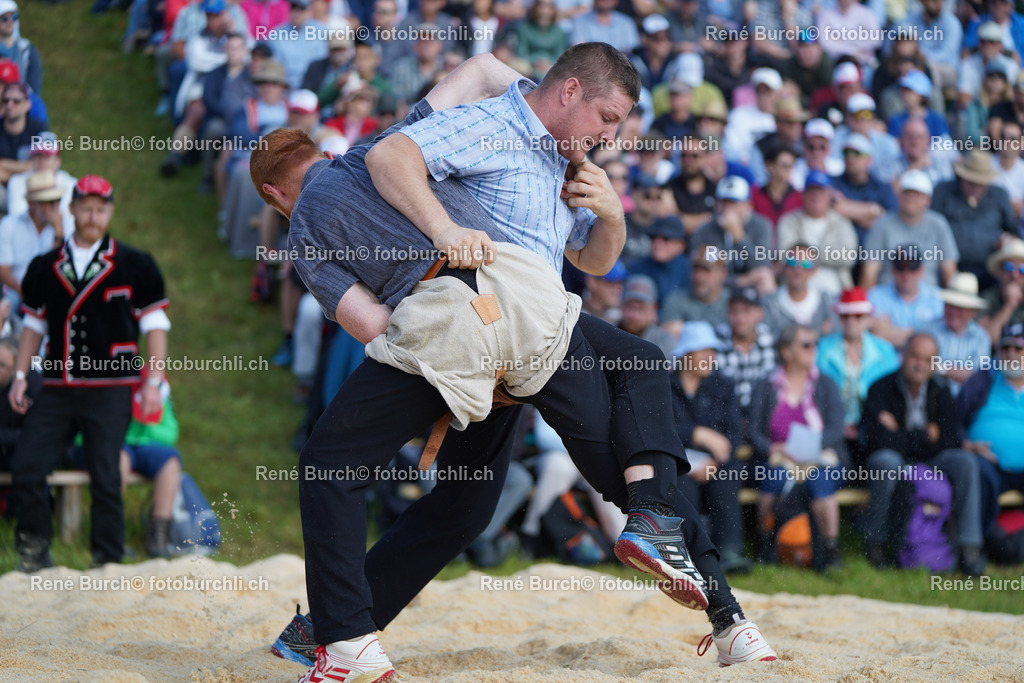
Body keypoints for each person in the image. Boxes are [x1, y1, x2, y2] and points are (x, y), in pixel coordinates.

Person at [254, 51, 776, 678]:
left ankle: (340, 636)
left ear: (272, 195)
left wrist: (607, 211)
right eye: (606, 117)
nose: (611, 136)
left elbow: (371, 323)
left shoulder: (551, 154)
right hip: (535, 328)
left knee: (347, 467)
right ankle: (731, 620)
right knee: (617, 467)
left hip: (479, 321)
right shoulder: (416, 137)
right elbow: (475, 75)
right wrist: (448, 238)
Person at [8, 175, 170, 572]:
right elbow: (33, 326)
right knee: (27, 465)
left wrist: (154, 381)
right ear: (73, 208)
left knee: (106, 475)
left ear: (110, 211)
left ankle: (108, 559)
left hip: (111, 387)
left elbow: (155, 326)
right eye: (86, 207)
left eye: (101, 208)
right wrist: (20, 375)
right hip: (58, 386)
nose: (93, 215)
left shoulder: (135, 263)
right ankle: (34, 555)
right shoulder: (45, 266)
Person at [860, 332, 985, 575]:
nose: (920, 365)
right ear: (903, 356)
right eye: (915, 357)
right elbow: (877, 440)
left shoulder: (941, 390)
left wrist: (901, 434)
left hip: (930, 461)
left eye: (928, 360)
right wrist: (925, 436)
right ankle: (877, 544)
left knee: (965, 462)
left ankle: (969, 549)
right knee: (885, 461)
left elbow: (951, 440)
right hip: (895, 460)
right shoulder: (880, 387)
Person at [749, 324, 847, 572]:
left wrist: (811, 447)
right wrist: (774, 448)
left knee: (819, 479)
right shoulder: (765, 385)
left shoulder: (825, 384)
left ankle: (830, 550)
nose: (813, 349)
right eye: (806, 344)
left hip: (820, 457)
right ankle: (765, 544)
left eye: (815, 343)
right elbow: (752, 431)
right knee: (774, 476)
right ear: (786, 351)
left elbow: (836, 427)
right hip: (778, 457)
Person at [670, 321, 750, 573]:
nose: (710, 357)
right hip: (676, 461)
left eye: (712, 352)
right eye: (704, 351)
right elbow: (656, 430)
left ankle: (729, 551)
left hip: (716, 462)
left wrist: (714, 462)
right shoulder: (663, 385)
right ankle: (687, 555)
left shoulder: (723, 386)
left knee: (726, 479)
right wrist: (697, 434)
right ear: (686, 354)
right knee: (681, 485)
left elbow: (733, 434)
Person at [958, 322, 1024, 539]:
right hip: (988, 462)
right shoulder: (984, 379)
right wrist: (967, 444)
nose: (1011, 355)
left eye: (1018, 349)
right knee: (978, 472)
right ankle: (979, 543)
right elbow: (954, 420)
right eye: (1005, 349)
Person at [817, 287, 901, 456]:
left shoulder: (885, 351)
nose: (851, 321)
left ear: (868, 318)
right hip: (832, 426)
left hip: (872, 427)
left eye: (858, 316)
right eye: (845, 316)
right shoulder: (822, 349)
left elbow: (893, 391)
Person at [932, 150, 1019, 288]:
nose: (975, 188)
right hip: (948, 265)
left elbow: (1013, 231)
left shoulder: (999, 195)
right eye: (971, 182)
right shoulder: (943, 192)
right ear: (962, 177)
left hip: (989, 268)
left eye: (980, 183)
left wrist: (1006, 241)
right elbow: (930, 226)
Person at [860, 170, 959, 290]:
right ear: (898, 196)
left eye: (917, 195)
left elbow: (949, 269)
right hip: (887, 294)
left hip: (928, 296)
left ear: (928, 200)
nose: (911, 199)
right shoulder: (881, 225)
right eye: (907, 193)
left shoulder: (938, 224)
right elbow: (870, 270)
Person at [777, 170, 858, 298]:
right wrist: (824, 255)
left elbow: (848, 257)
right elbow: (785, 255)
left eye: (821, 192)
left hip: (835, 285)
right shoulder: (789, 221)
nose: (816, 196)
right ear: (803, 194)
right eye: (811, 191)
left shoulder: (842, 223)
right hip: (796, 282)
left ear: (829, 195)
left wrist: (807, 257)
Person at [692, 175, 775, 296]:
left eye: (734, 203)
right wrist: (740, 281)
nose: (727, 209)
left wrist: (739, 236)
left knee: (765, 279)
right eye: (723, 202)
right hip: (718, 290)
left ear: (748, 205)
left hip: (752, 286)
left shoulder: (762, 225)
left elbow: (760, 265)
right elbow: (702, 273)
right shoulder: (705, 231)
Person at [0, 170, 70, 307]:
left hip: (52, 291)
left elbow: (61, 269)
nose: (54, 207)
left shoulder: (66, 225)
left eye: (57, 201)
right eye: (47, 201)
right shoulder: (9, 225)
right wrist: (25, 291)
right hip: (16, 291)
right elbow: (3, 270)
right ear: (31, 203)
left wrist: (59, 236)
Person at [717, 286, 775, 441]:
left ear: (760, 313)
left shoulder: (771, 341)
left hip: (762, 418)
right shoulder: (716, 341)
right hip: (727, 418)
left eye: (747, 311)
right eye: (735, 311)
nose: (740, 318)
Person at [927, 273, 993, 397]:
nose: (953, 312)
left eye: (960, 307)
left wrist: (939, 368)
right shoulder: (929, 329)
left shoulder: (981, 338)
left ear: (973, 311)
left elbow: (975, 378)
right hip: (932, 400)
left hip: (965, 403)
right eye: (949, 305)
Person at [867, 246, 944, 349]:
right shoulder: (875, 295)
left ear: (922, 270)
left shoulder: (938, 297)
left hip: (926, 363)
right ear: (892, 270)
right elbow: (875, 336)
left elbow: (940, 338)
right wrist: (922, 333)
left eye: (912, 268)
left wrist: (893, 332)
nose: (906, 275)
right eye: (901, 268)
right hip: (887, 361)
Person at [763, 243, 834, 336]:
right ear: (784, 266)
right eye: (792, 262)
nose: (798, 270)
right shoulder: (770, 303)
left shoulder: (826, 302)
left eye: (806, 264)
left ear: (814, 270)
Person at [661, 245, 730, 337]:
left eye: (706, 271)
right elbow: (669, 339)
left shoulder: (733, 301)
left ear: (723, 273)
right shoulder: (676, 300)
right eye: (696, 270)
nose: (699, 277)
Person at [625, 214, 689, 307]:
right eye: (654, 237)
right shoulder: (636, 268)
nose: (658, 243)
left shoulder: (690, 270)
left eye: (666, 238)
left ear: (681, 245)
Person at [979, 238, 1024, 344]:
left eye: (1022, 269)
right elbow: (986, 341)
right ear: (999, 271)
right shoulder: (986, 299)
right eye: (1009, 267)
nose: (1015, 275)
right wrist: (1010, 304)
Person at [618, 274, 675, 357]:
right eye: (629, 306)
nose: (634, 315)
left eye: (641, 308)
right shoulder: (607, 334)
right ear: (621, 305)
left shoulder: (664, 341)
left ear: (653, 309)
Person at [0, 0, 41, 94]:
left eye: (14, 17)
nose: (10, 22)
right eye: (4, 18)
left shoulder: (27, 50)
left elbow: (34, 90)